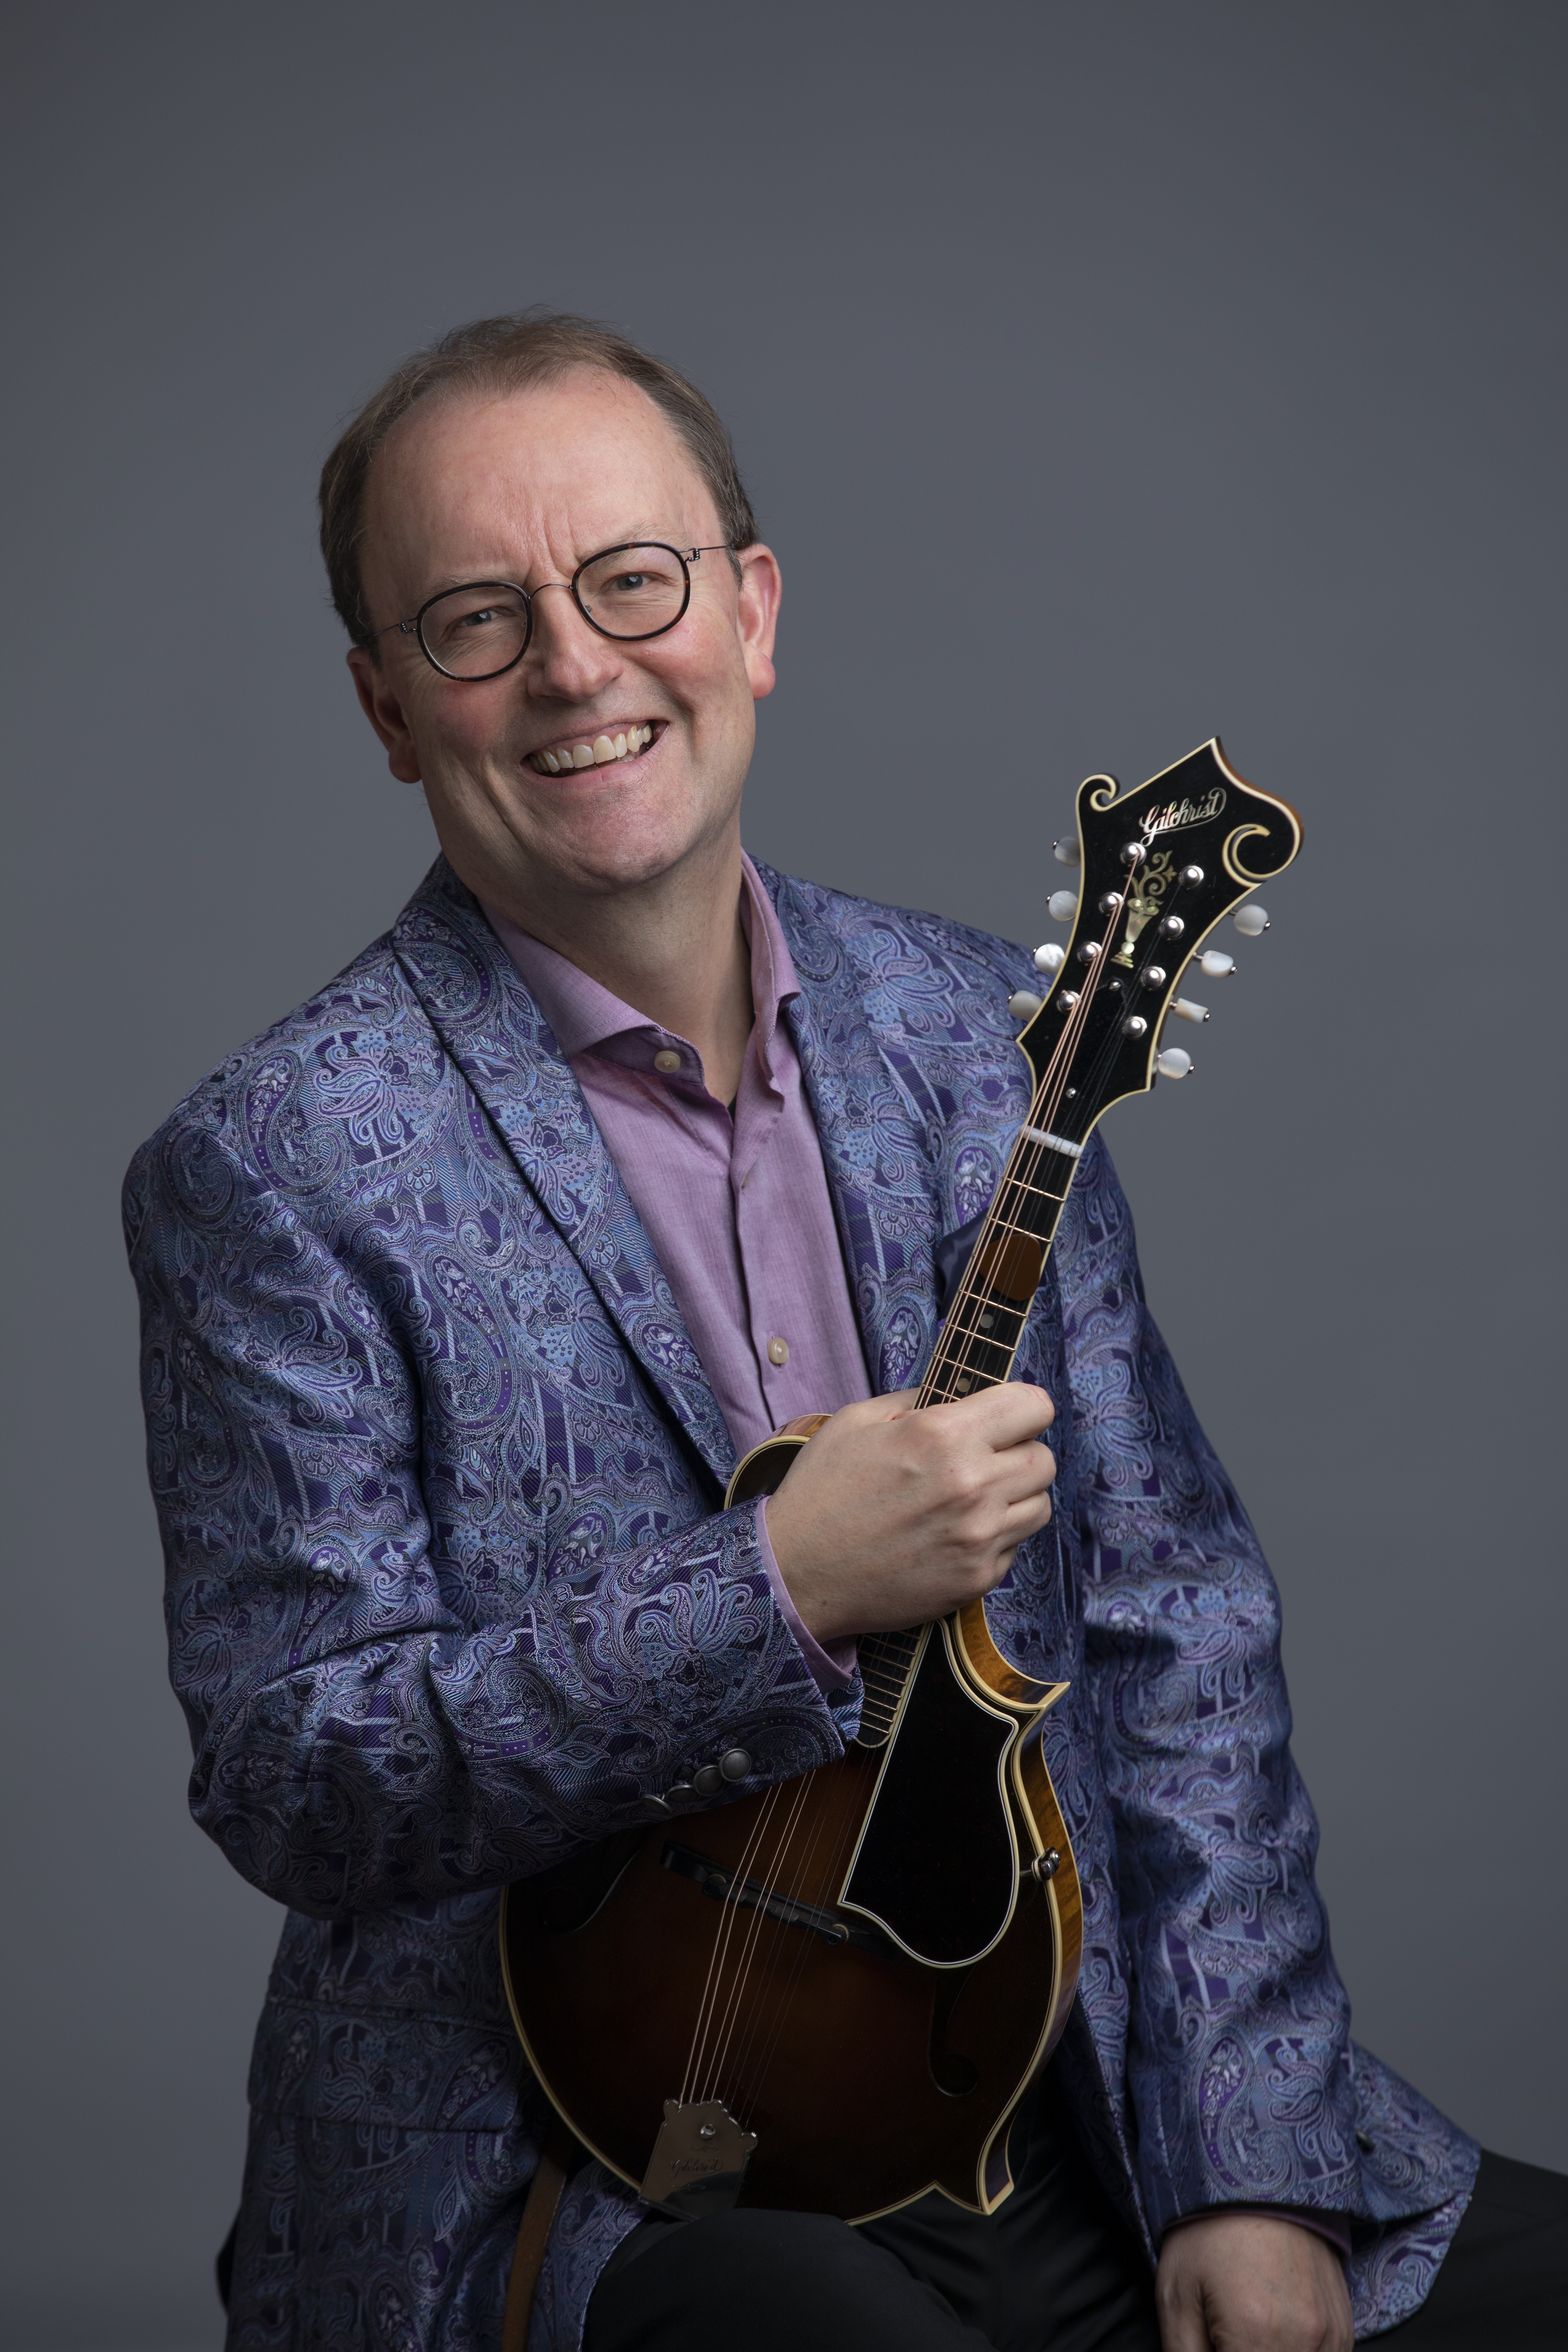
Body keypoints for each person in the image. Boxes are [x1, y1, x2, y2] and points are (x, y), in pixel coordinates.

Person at [124, 312, 1561, 2351]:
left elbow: (1171, 1628)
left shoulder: (983, 1046)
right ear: (386, 706)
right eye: (477, 619)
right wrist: (776, 1589)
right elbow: (304, 1773)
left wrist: (1247, 2170)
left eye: (634, 580)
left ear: (753, 612)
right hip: (614, 2160)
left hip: (1058, 2086)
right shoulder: (278, 1165)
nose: (577, 666)